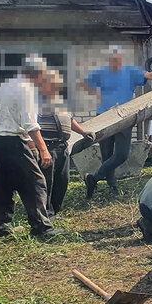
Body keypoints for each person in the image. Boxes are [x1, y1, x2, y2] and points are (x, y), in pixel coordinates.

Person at [82, 45, 152, 198]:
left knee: (121, 155)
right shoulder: (101, 72)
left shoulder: (130, 71)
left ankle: (93, 178)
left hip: (123, 117)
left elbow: (150, 75)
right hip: (103, 118)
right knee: (107, 155)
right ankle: (112, 187)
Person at [0, 56, 59, 239]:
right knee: (35, 183)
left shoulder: (8, 85)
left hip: (0, 140)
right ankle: (42, 228)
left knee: (4, 184)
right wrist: (43, 150)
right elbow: (30, 124)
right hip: (14, 142)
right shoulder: (27, 91)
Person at [37, 70, 88, 215]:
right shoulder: (36, 102)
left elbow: (69, 120)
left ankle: (56, 209)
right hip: (47, 147)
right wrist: (40, 148)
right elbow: (31, 126)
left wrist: (83, 132)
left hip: (62, 146)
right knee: (47, 182)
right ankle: (45, 213)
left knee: (62, 180)